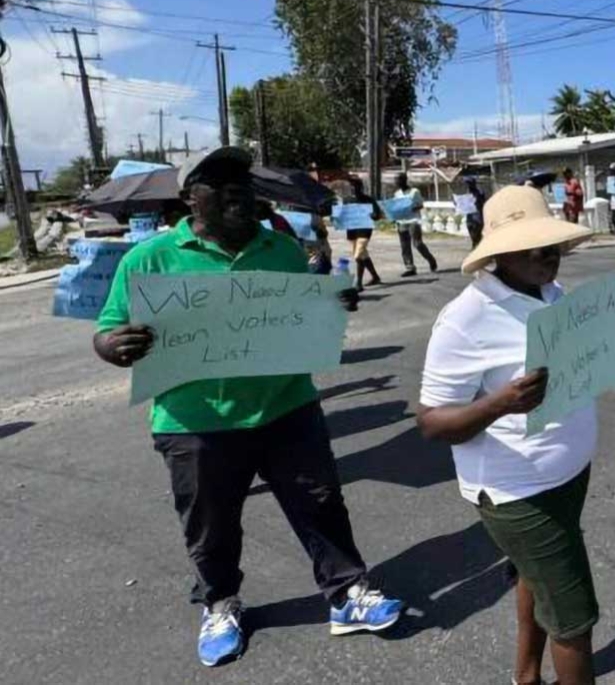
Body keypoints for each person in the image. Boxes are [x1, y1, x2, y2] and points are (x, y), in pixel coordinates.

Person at [92, 147, 402, 668]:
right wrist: (114, 346)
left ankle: (347, 594)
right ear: (191, 196)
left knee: (321, 505)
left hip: (288, 409)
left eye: (243, 179)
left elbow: (308, 308)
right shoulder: (149, 260)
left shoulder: (280, 249)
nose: (237, 188)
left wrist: (335, 299)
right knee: (210, 523)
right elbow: (107, 330)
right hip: (195, 424)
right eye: (219, 181)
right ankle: (219, 602)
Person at [418, 186, 615, 685]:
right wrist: (501, 403)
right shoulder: (465, 319)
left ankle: (524, 676)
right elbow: (431, 423)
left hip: (567, 475)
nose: (546, 254)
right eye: (529, 245)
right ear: (497, 254)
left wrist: (614, 333)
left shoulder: (552, 295)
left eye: (551, 244)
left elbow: (580, 365)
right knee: (574, 619)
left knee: (533, 578)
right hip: (517, 492)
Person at [393, 172, 438, 277]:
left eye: (398, 179)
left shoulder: (414, 192)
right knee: (405, 246)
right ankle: (410, 267)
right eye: (395, 180)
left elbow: (421, 205)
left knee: (417, 244)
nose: (396, 182)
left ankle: (431, 260)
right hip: (402, 221)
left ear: (404, 180)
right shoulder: (397, 194)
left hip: (413, 220)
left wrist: (411, 209)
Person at [345, 176, 384, 290]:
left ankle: (359, 283)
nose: (352, 188)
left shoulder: (369, 200)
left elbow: (378, 215)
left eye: (355, 185)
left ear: (360, 187)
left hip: (364, 231)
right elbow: (341, 215)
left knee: (358, 256)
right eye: (351, 185)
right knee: (363, 255)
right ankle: (375, 276)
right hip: (352, 231)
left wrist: (373, 215)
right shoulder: (347, 200)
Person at [463, 176, 488, 248]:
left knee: (477, 234)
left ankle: (476, 247)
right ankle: (475, 245)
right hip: (470, 218)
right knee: (471, 232)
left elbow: (483, 202)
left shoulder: (479, 193)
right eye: (467, 184)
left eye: (469, 183)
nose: (468, 186)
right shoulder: (467, 194)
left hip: (477, 218)